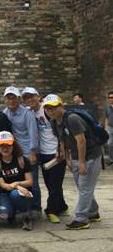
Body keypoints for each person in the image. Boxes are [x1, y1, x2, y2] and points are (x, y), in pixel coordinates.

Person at [44, 94, 103, 230]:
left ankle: (81, 219)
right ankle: (93, 213)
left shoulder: (72, 119)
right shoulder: (54, 122)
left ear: (61, 106)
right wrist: (67, 159)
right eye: (47, 109)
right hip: (76, 155)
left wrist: (81, 163)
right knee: (82, 187)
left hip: (91, 155)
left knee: (84, 187)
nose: (51, 111)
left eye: (53, 107)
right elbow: (62, 141)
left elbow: (81, 141)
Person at [23, 87, 68, 223]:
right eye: (26, 98)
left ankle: (51, 210)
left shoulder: (48, 109)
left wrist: (61, 149)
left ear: (38, 96)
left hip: (56, 152)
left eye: (32, 96)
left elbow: (61, 130)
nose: (29, 100)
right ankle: (62, 206)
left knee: (54, 183)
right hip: (42, 153)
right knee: (50, 183)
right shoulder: (30, 112)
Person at [2, 86, 40, 215]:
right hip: (15, 153)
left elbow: (33, 134)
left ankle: (35, 207)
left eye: (14, 98)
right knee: (18, 180)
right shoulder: (5, 113)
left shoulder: (27, 114)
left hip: (28, 152)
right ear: (4, 100)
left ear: (18, 99)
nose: (11, 101)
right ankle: (20, 206)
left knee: (32, 181)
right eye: (8, 98)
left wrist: (33, 152)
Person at [0, 131, 34, 231]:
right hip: (5, 193)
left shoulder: (22, 160)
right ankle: (11, 212)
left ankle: (26, 216)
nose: (5, 148)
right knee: (3, 215)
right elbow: (3, 185)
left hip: (22, 193)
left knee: (15, 194)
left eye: (8, 145)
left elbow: (30, 182)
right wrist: (17, 186)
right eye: (2, 146)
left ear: (13, 145)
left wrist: (17, 184)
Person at [105, 90, 113, 166]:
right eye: (110, 97)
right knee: (109, 144)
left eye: (112, 97)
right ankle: (111, 159)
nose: (111, 99)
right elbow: (106, 117)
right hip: (110, 127)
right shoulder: (107, 107)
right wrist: (106, 128)